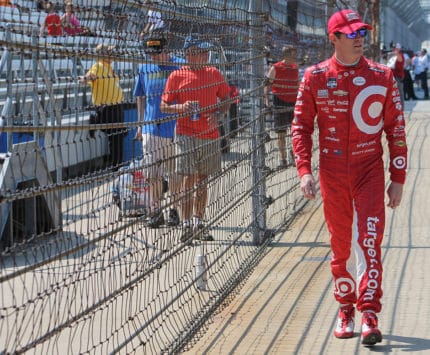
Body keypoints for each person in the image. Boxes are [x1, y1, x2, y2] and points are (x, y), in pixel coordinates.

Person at [292, 9, 407, 346]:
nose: (359, 39)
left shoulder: (382, 76)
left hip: (369, 169)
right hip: (332, 172)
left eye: (362, 33)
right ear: (335, 38)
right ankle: (346, 307)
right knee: (341, 245)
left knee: (369, 241)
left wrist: (396, 177)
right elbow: (300, 127)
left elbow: (396, 130)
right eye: (352, 34)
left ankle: (369, 312)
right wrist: (304, 171)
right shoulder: (313, 77)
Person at [160, 35, 230, 242]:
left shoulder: (214, 73)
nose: (207, 54)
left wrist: (219, 114)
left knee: (202, 180)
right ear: (189, 54)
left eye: (206, 51)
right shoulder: (177, 76)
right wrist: (180, 107)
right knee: (187, 180)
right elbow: (164, 106)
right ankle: (186, 224)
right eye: (202, 51)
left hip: (209, 135)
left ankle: (199, 222)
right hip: (185, 134)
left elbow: (226, 98)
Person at [133, 34, 185, 228]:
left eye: (156, 53)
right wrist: (140, 125)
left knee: (174, 174)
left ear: (166, 49)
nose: (153, 57)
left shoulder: (181, 66)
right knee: (152, 174)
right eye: (150, 54)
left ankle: (174, 210)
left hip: (175, 128)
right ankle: (155, 212)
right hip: (151, 128)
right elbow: (140, 96)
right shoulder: (144, 68)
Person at [80, 44, 125, 168]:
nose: (113, 54)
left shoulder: (109, 67)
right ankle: (117, 166)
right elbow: (90, 75)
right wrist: (85, 78)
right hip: (107, 107)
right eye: (109, 52)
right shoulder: (98, 66)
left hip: (117, 106)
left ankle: (116, 163)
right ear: (103, 54)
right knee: (116, 137)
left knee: (119, 135)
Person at [264, 45, 299, 168]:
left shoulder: (295, 68)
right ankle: (283, 158)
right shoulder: (275, 68)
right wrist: (267, 102)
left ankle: (293, 154)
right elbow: (267, 86)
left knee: (295, 132)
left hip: (293, 103)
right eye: (293, 55)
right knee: (281, 133)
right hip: (279, 102)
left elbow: (298, 85)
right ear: (287, 56)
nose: (295, 57)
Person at [387, 43, 405, 108]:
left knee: (399, 93)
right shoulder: (393, 56)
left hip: (397, 77)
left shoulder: (400, 55)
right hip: (391, 77)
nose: (393, 50)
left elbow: (400, 60)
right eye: (393, 49)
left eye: (395, 48)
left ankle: (401, 108)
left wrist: (397, 52)